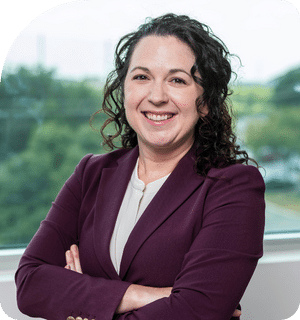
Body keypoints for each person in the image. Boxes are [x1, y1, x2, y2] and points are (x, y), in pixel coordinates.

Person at [15, 13, 265, 320]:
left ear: (205, 102)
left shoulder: (233, 186)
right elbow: (30, 283)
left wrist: (84, 295)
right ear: (124, 90)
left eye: (177, 80)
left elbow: (198, 310)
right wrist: (146, 295)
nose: (157, 96)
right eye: (142, 77)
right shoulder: (90, 174)